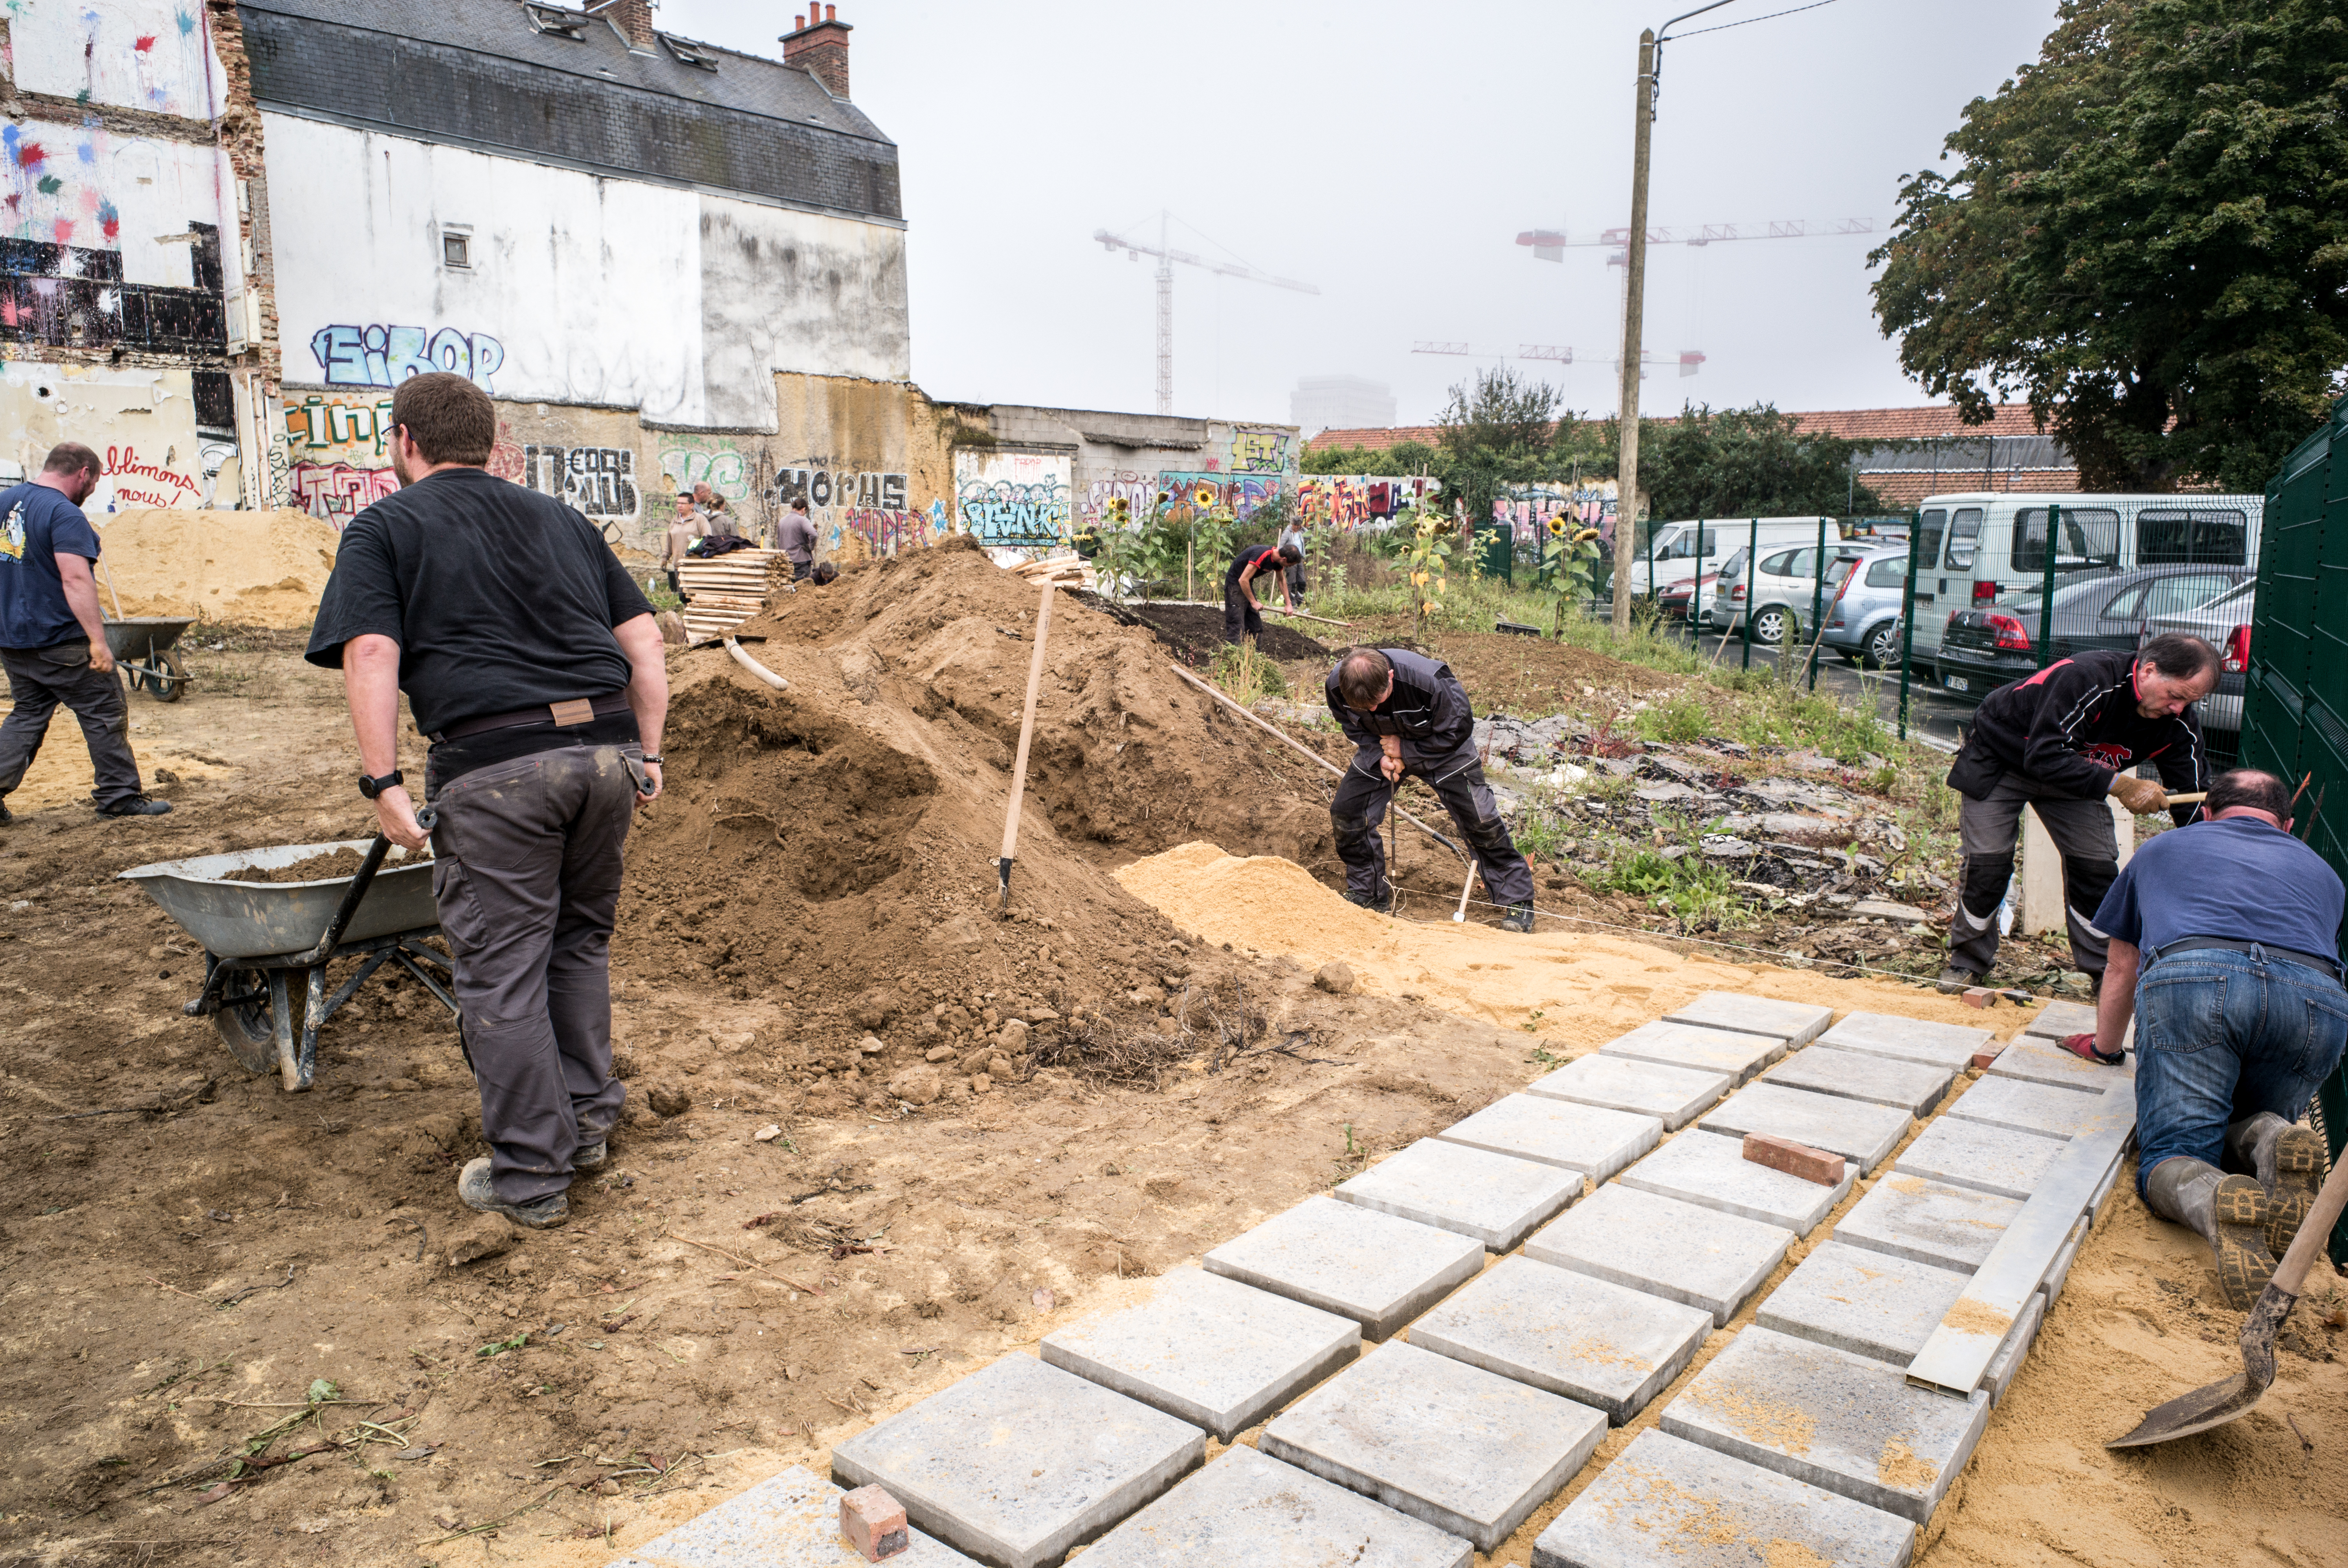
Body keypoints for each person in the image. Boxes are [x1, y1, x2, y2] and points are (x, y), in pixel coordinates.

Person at [305, 371, 668, 1230]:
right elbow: (645, 641)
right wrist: (647, 755)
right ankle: (584, 1127)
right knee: (577, 946)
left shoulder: (385, 525)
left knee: (501, 974)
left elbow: (370, 654)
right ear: (493, 441)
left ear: (404, 442)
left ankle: (531, 1177)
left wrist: (383, 781)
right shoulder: (563, 519)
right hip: (606, 751)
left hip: (497, 767)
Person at [2077, 768, 2344, 1307]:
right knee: (2242, 1130)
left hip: (2196, 980)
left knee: (2175, 1150)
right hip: (2317, 1000)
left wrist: (2106, 1047)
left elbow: (2122, 965)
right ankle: (2272, 1137)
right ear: (2287, 825)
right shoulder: (2325, 874)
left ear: (2208, 811)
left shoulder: (2163, 850)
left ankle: (2212, 1196)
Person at [1938, 634, 2218, 995]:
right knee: (1987, 865)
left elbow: (2194, 796)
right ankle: (1968, 961)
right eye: (2176, 696)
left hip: (2076, 778)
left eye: (2190, 702)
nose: (2179, 709)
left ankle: (2107, 975)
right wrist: (2121, 786)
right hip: (2004, 759)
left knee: (2096, 869)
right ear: (2148, 672)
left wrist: (2211, 850)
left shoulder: (2177, 723)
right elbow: (2044, 755)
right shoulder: (2087, 678)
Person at [0, 441, 170, 821]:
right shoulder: (63, 513)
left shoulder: (6, 502)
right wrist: (98, 640)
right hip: (61, 639)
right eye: (93, 483)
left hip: (13, 640)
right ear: (83, 473)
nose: (91, 492)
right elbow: (76, 578)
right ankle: (119, 796)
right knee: (103, 708)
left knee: (28, 714)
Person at [1325, 646, 1537, 932]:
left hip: (1444, 749)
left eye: (1377, 701)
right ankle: (1367, 894)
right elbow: (1351, 726)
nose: (1373, 710)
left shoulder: (1430, 681)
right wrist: (1381, 755)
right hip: (1383, 746)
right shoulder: (1336, 685)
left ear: (1390, 676)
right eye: (1365, 708)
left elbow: (1458, 730)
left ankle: (1518, 900)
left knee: (1481, 821)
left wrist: (1406, 750)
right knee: (1348, 812)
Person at [1224, 540, 1302, 645]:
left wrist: (1288, 604)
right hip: (1234, 584)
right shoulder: (1262, 555)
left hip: (1247, 584)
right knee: (1237, 626)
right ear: (1284, 559)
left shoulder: (1278, 561)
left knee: (1256, 627)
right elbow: (1243, 580)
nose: (1290, 567)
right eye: (1290, 565)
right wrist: (1254, 602)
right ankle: (1232, 656)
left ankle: (1255, 656)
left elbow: (1281, 580)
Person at [662, 491, 701, 599]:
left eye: (683, 503)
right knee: (683, 596)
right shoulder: (675, 521)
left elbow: (707, 541)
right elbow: (669, 542)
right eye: (678, 503)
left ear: (691, 505)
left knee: (694, 595)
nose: (679, 506)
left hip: (695, 566)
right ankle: (685, 614)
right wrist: (665, 558)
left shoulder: (699, 520)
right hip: (679, 566)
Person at [778, 496, 818, 583]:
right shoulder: (802, 520)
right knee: (802, 590)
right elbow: (814, 535)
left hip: (786, 561)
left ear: (793, 508)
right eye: (805, 512)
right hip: (801, 561)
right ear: (803, 509)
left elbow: (780, 541)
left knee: (788, 588)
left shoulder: (781, 521)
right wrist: (811, 547)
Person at [1277, 519, 1309, 610]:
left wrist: (1303, 529)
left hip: (1299, 560)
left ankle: (1300, 600)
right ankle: (1291, 601)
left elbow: (1310, 536)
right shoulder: (1287, 533)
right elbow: (1281, 546)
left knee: (1302, 581)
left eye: (1299, 525)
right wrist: (1283, 558)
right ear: (1292, 524)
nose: (1297, 527)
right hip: (1290, 560)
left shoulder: (1301, 532)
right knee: (1292, 581)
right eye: (1295, 525)